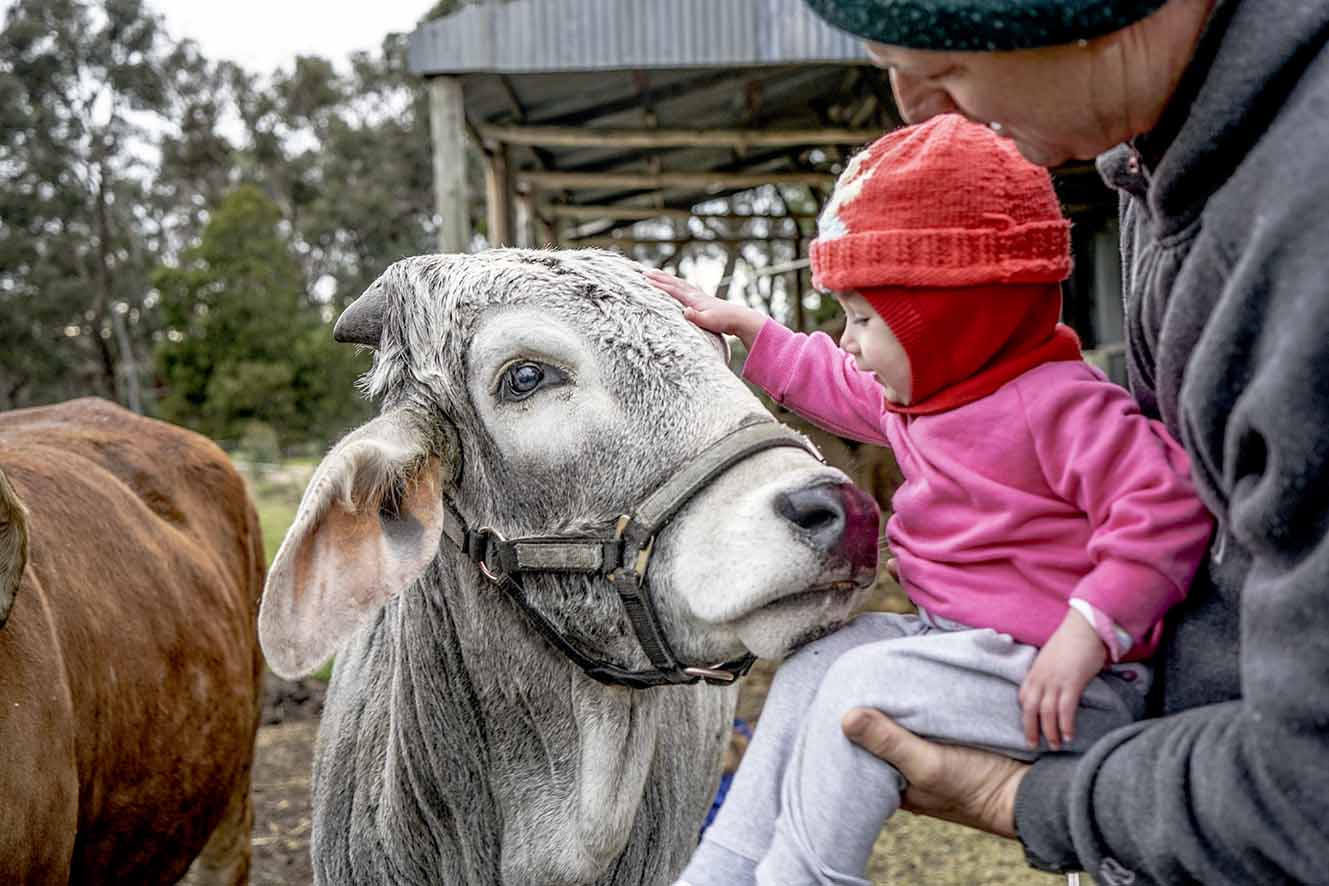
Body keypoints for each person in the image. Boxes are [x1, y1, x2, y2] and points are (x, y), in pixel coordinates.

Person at [797, 1, 1329, 883]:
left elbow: (1310, 779)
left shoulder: (1301, 227)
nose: (916, 106)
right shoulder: (1163, 156)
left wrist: (1029, 801)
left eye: (949, 60)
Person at [646, 115, 1213, 886]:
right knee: (821, 659)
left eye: (865, 319)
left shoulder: (1057, 405)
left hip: (1067, 685)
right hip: (961, 652)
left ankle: (805, 875)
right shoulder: (933, 394)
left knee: (857, 686)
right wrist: (752, 331)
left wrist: (1089, 629)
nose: (847, 341)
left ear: (948, 320)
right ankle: (726, 863)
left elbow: (1167, 504)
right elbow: (841, 386)